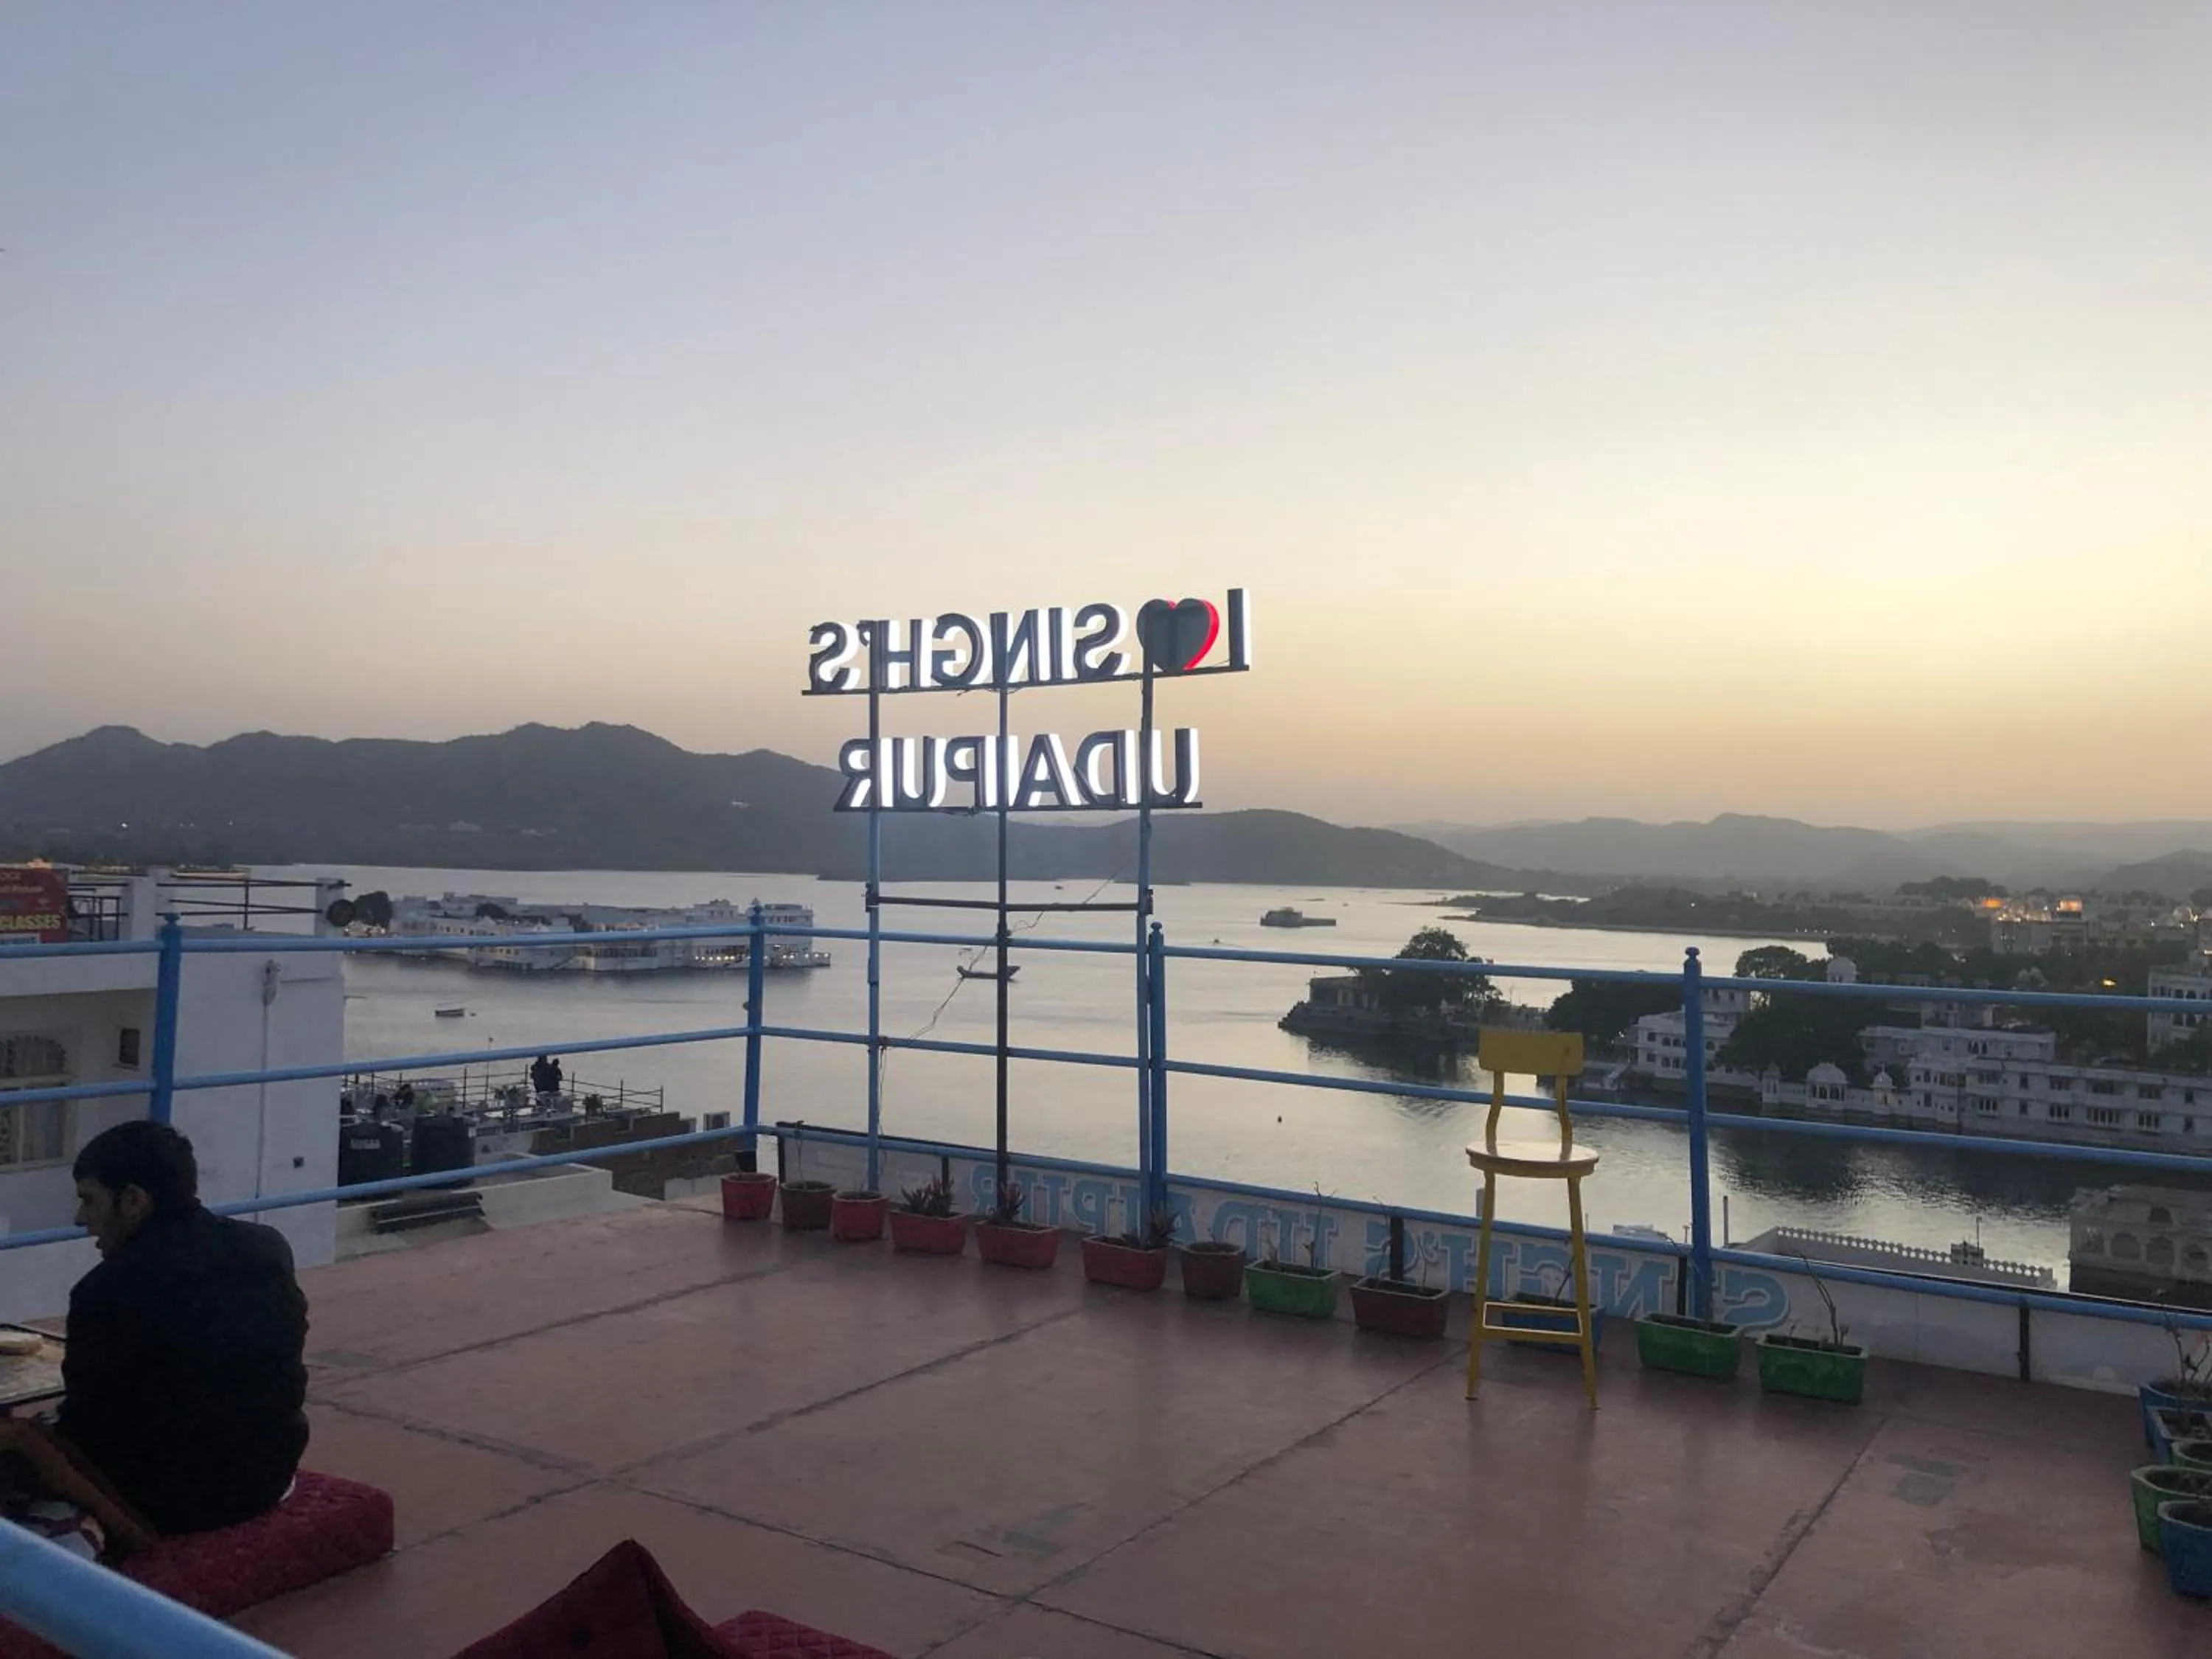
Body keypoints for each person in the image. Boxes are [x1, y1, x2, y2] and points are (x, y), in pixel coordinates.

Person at [0, 1121, 310, 1552]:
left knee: (23, 1442)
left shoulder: (105, 1292)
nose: (80, 1219)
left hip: (175, 1505)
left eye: (89, 1201)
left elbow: (84, 1432)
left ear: (132, 1201)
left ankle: (130, 1545)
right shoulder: (267, 1246)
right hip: (270, 1478)